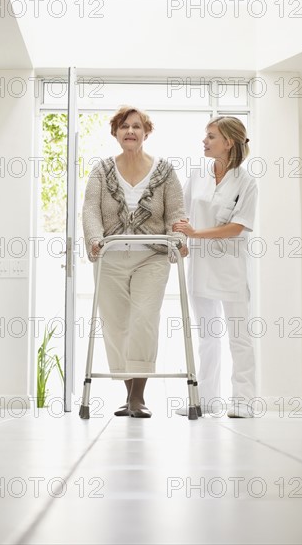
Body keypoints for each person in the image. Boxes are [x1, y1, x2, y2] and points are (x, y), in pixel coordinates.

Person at [82, 106, 187, 418]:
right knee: (116, 324)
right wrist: (94, 238)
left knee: (143, 318)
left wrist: (178, 240)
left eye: (137, 126)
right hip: (110, 256)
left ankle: (139, 396)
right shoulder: (101, 170)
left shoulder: (165, 171)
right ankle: (128, 395)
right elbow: (89, 209)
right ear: (115, 133)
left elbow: (176, 212)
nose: (130, 131)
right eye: (124, 126)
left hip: (151, 257)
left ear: (146, 132)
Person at [173, 116, 258, 418]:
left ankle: (244, 400)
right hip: (200, 265)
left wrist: (196, 234)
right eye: (205, 135)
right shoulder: (197, 176)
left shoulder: (246, 182)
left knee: (239, 334)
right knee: (208, 334)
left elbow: (238, 227)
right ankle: (206, 398)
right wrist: (181, 241)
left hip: (231, 267)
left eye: (211, 136)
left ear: (229, 142)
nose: (204, 141)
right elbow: (181, 215)